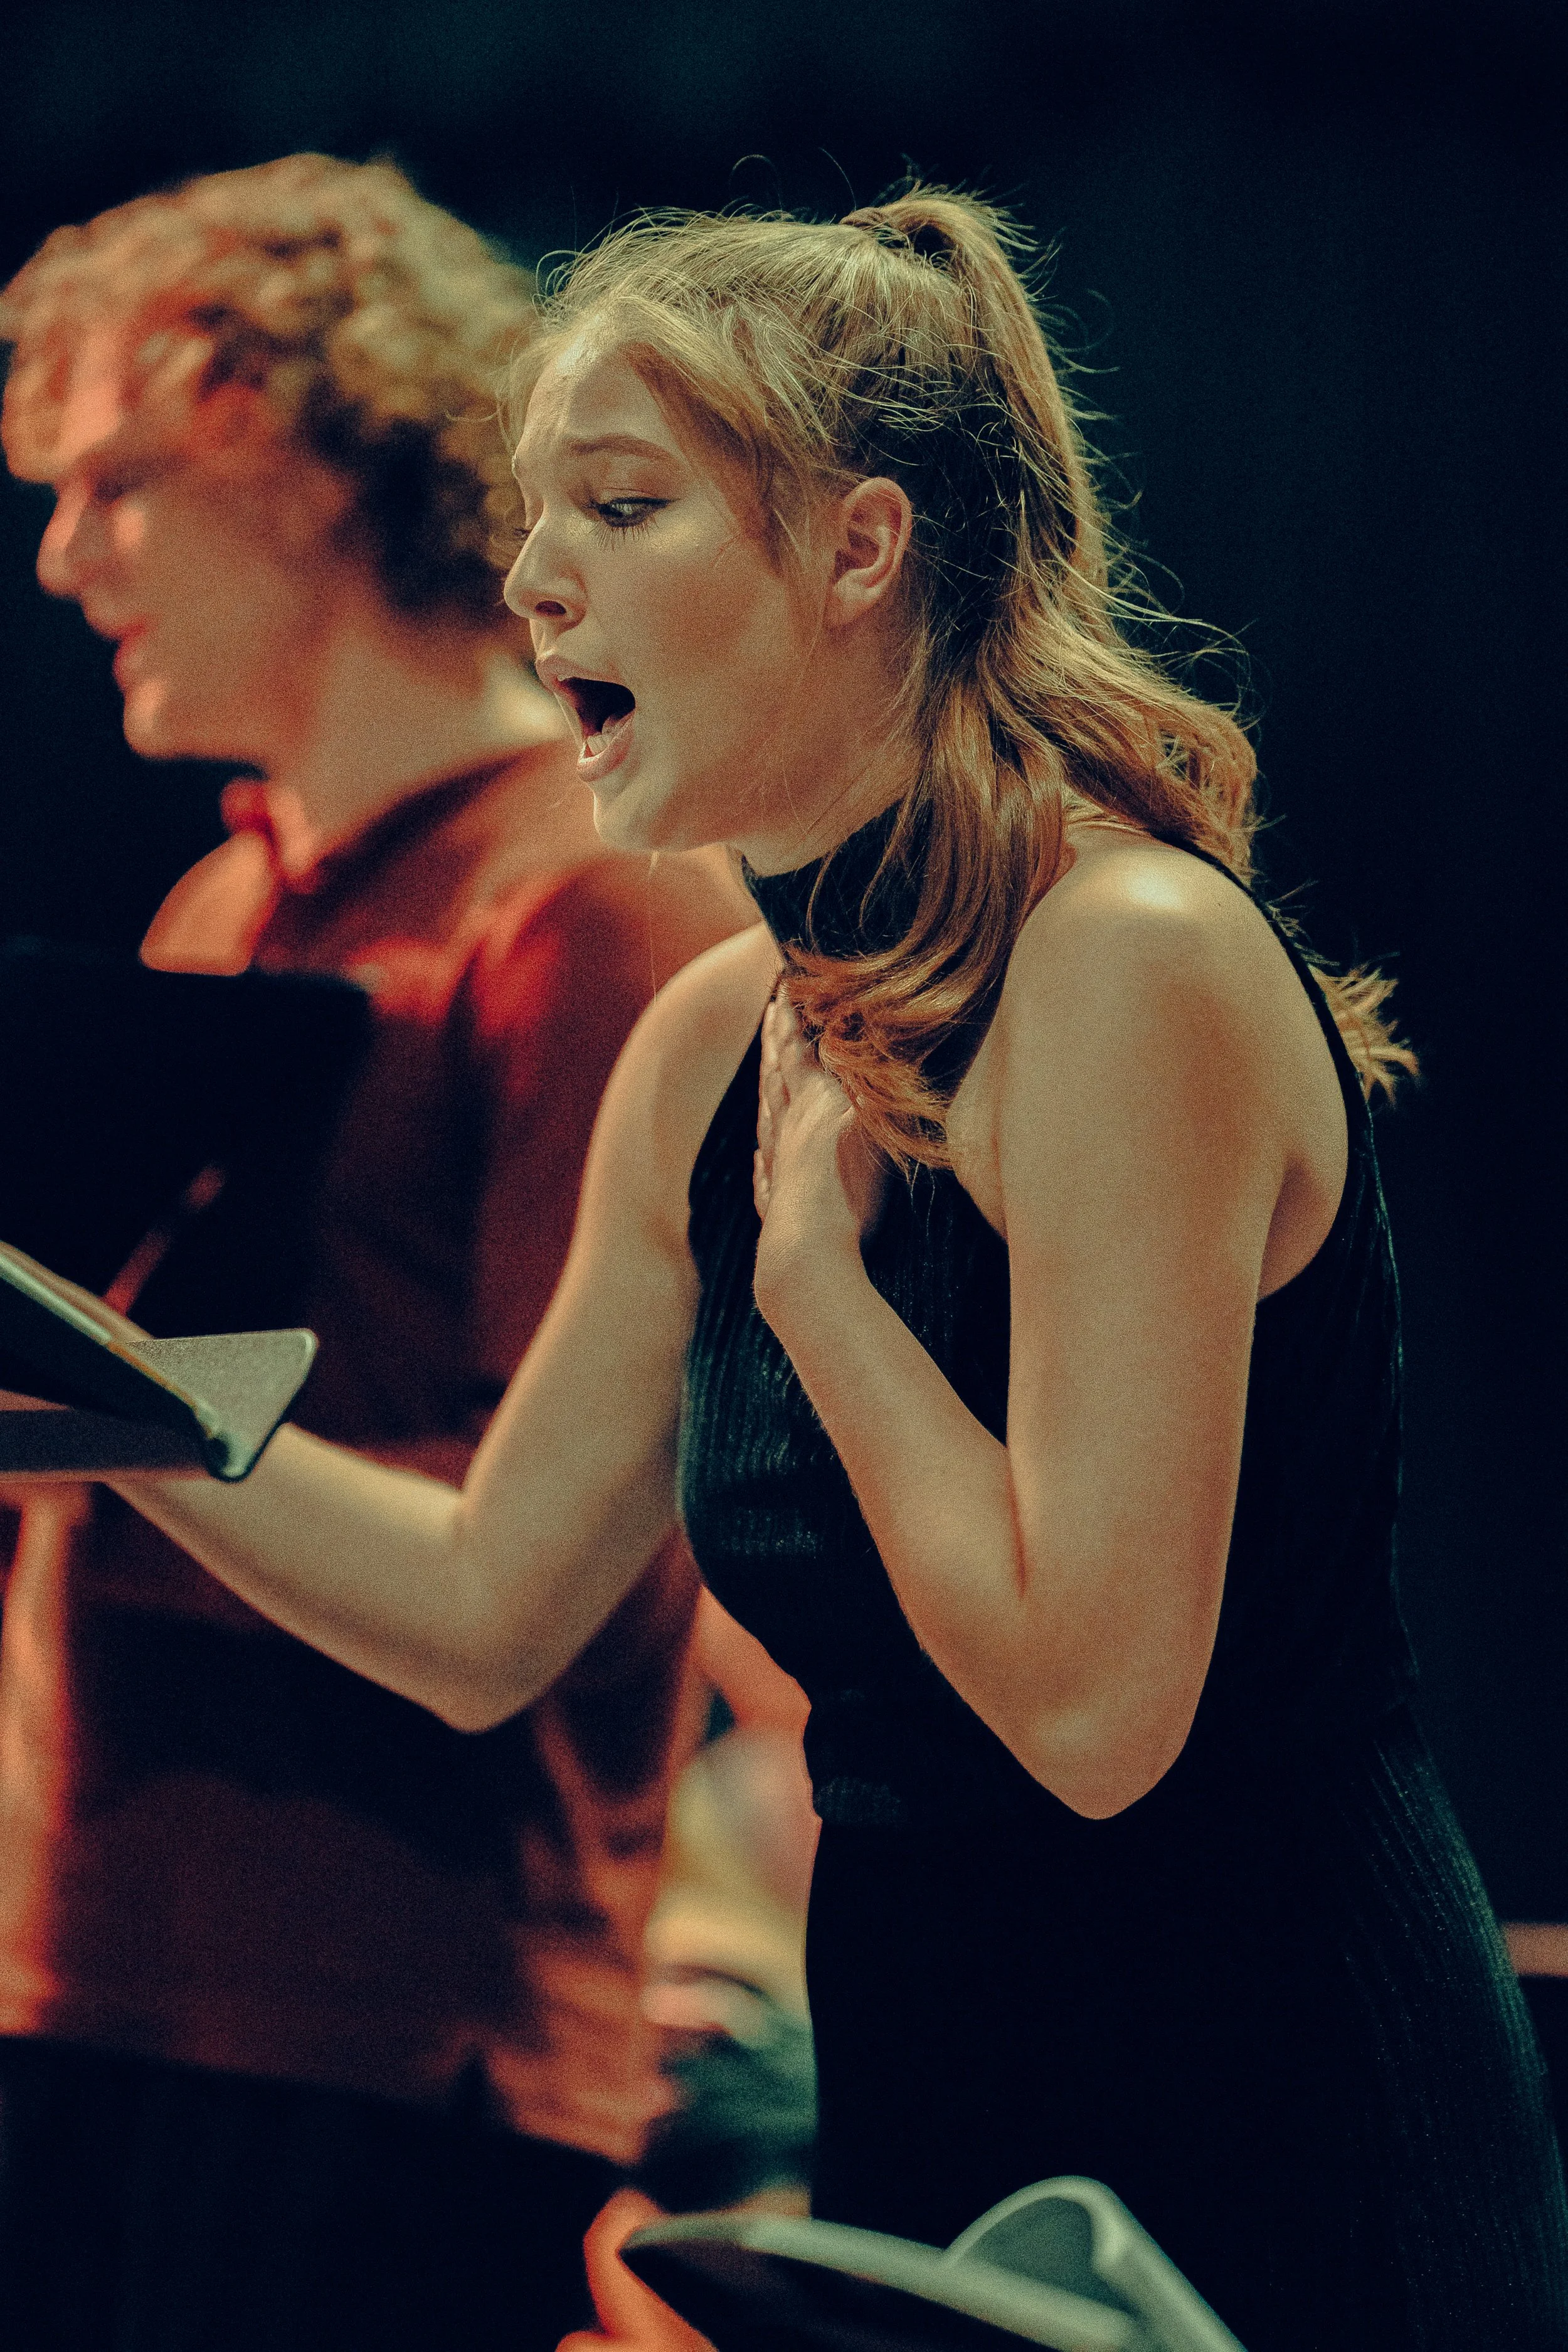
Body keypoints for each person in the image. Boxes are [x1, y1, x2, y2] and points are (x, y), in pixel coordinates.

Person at [54, 188, 1568, 2346]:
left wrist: (828, 1310)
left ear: (861, 550)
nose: (533, 574)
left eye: (624, 504)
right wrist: (116, 1409)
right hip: (938, 2085)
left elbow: (1093, 1709)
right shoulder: (714, 1046)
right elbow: (491, 1610)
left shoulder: (1122, 961)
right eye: (528, 513)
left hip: (1265, 2090)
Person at [0, 156, 748, 2352]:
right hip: (94, 1964)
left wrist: (94, 1409)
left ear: (322, 473)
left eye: (123, 484)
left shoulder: (594, 907)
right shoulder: (220, 910)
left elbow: (563, 1559)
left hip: (389, 2017)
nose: (67, 559)